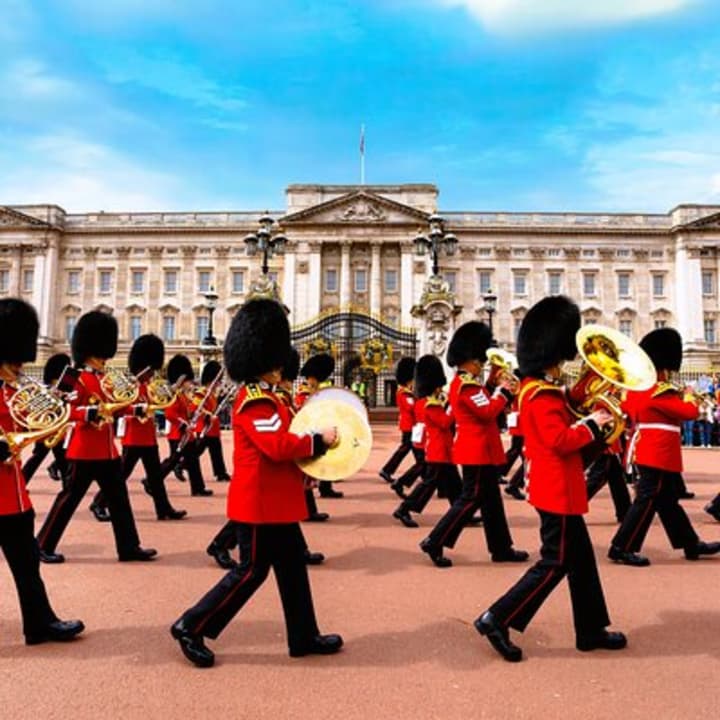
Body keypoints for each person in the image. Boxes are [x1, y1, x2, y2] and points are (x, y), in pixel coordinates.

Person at [170, 299, 342, 668]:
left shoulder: (273, 398)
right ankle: (190, 624)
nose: (283, 368)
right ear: (265, 360)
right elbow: (277, 446)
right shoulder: (255, 401)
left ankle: (304, 635)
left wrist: (306, 471)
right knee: (249, 572)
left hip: (277, 502)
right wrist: (317, 441)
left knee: (294, 567)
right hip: (260, 505)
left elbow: (285, 445)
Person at [475, 295, 626, 662]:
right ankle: (498, 616)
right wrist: (594, 423)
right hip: (556, 489)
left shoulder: (542, 388)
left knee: (581, 560)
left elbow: (566, 408)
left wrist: (587, 393)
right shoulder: (539, 394)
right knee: (554, 562)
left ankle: (590, 629)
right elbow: (560, 440)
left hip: (561, 486)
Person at [36, 310, 157, 564]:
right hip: (84, 450)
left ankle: (128, 546)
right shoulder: (73, 377)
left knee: (119, 500)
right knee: (68, 499)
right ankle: (43, 544)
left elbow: (115, 406)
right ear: (89, 350)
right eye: (100, 353)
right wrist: (86, 414)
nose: (104, 358)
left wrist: (136, 409)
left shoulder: (105, 379)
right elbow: (59, 410)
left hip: (107, 450)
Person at [0, 298, 84, 645]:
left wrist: (57, 419)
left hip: (13, 496)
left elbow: (28, 424)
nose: (20, 367)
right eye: (15, 360)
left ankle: (39, 622)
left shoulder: (13, 390)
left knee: (27, 561)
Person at [419, 321, 527, 568]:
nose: (481, 364)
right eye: (479, 361)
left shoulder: (468, 384)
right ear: (469, 360)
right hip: (476, 451)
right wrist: (505, 392)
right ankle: (435, 540)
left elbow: (484, 401)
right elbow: (488, 411)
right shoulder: (466, 385)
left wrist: (492, 384)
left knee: (491, 501)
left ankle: (501, 547)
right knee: (469, 500)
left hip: (482, 450)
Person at [608, 328, 720, 566]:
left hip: (651, 450)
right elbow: (688, 412)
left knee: (668, 502)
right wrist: (689, 395)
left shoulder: (638, 389)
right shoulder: (659, 391)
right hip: (658, 453)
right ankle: (622, 547)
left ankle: (690, 544)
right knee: (646, 500)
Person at [89, 334, 186, 521]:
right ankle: (99, 502)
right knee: (120, 476)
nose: (151, 373)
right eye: (149, 369)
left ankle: (163, 508)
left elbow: (161, 402)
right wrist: (137, 410)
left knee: (156, 477)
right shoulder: (129, 385)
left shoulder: (149, 385)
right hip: (134, 437)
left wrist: (173, 390)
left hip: (148, 436)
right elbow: (120, 410)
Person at [392, 355, 461, 528]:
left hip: (444, 450)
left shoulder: (431, 402)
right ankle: (404, 509)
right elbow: (445, 423)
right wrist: (453, 405)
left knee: (454, 484)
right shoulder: (430, 404)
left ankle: (459, 511)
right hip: (438, 451)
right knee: (429, 485)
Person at [296, 353, 343, 499]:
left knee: (325, 459)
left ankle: (325, 488)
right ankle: (309, 508)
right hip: (310, 431)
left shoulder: (315, 391)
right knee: (307, 471)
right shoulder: (304, 393)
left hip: (319, 430)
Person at [163, 355, 212, 497]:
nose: (190, 384)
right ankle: (152, 480)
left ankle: (198, 488)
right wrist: (183, 424)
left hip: (186, 434)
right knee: (173, 461)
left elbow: (188, 411)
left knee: (193, 461)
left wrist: (200, 414)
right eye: (187, 381)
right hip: (177, 434)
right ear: (181, 380)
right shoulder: (174, 395)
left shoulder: (184, 395)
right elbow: (170, 414)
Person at [21, 353, 73, 487]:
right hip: (45, 429)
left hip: (58, 429)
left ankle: (67, 487)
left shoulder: (61, 388)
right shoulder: (43, 388)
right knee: (36, 459)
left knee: (63, 460)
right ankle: (21, 483)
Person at [378, 357, 418, 487]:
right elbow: (410, 407)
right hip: (409, 426)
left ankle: (424, 472)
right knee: (407, 449)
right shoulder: (403, 392)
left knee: (416, 451)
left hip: (412, 425)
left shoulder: (408, 391)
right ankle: (387, 470)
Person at [195, 360, 231, 483]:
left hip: (213, 428)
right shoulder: (201, 393)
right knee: (196, 451)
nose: (218, 383)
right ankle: (182, 465)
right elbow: (197, 408)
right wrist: (208, 415)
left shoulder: (211, 393)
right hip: (205, 427)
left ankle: (220, 472)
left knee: (216, 452)